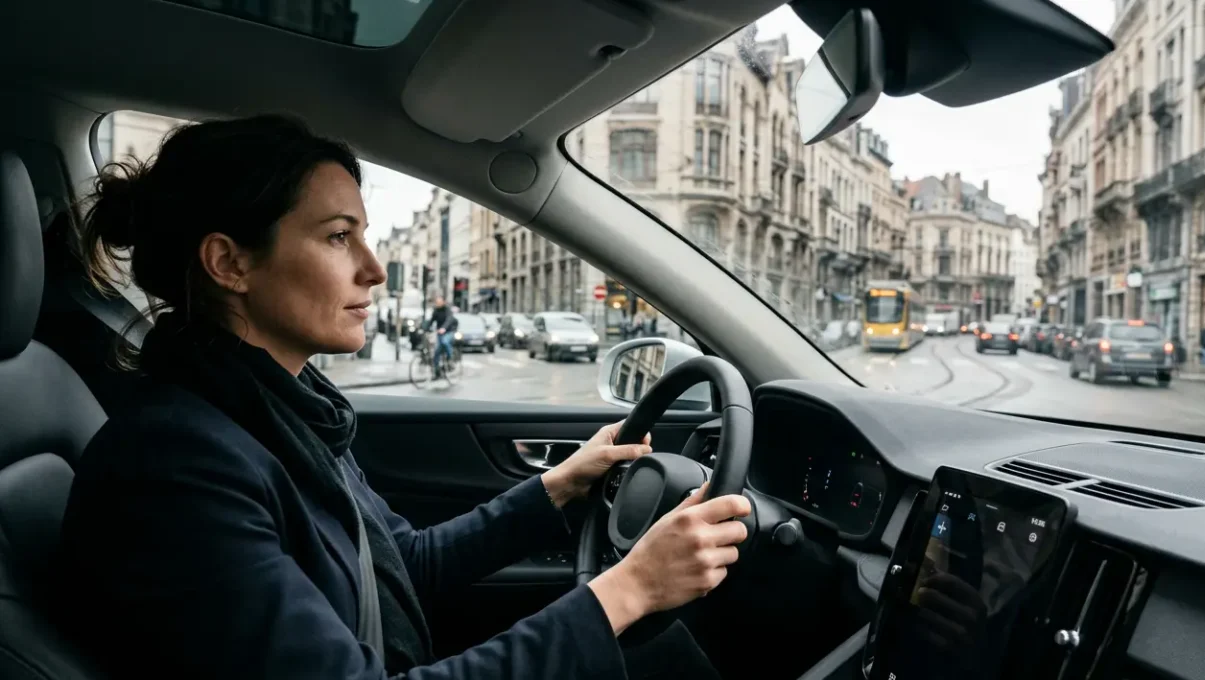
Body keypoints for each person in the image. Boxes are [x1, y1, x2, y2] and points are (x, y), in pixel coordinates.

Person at [57, 114, 748, 679]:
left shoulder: (279, 410)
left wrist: (559, 487)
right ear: (230, 263)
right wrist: (627, 592)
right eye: (338, 237)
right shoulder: (175, 465)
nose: (375, 268)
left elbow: (402, 565)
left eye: (364, 234)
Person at [427, 295, 458, 375]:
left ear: (443, 302)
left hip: (448, 331)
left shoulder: (447, 310)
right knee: (437, 351)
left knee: (445, 342)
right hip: (439, 332)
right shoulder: (436, 310)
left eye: (439, 302)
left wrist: (444, 328)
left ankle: (450, 359)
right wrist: (426, 328)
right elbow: (432, 320)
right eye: (437, 302)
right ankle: (436, 370)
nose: (438, 304)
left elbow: (449, 319)